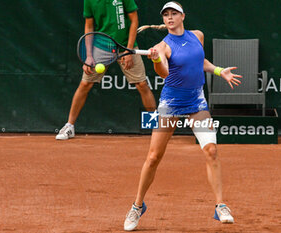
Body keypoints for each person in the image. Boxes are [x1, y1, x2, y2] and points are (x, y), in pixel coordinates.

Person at [123, 1, 242, 231]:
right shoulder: (163, 46)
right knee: (154, 157)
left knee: (212, 150)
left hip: (197, 101)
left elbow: (199, 61)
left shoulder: (198, 36)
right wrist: (157, 60)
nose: (169, 17)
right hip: (171, 103)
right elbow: (164, 73)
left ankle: (220, 206)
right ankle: (138, 206)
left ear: (182, 16)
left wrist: (218, 71)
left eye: (173, 13)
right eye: (166, 14)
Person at [56, 0, 156, 140]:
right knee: (85, 84)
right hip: (102, 45)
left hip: (125, 45)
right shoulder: (89, 1)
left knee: (142, 84)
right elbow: (89, 26)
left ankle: (157, 127)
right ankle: (69, 126)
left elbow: (134, 20)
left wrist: (129, 49)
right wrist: (89, 56)